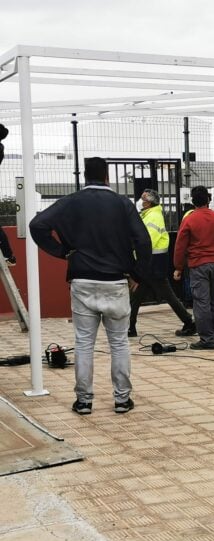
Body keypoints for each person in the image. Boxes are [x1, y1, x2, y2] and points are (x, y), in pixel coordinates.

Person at [30, 157, 151, 415]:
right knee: (118, 342)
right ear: (107, 176)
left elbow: (37, 225)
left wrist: (63, 252)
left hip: (82, 280)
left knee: (84, 343)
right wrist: (138, 274)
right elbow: (143, 240)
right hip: (116, 281)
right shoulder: (122, 203)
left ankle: (84, 401)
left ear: (85, 176)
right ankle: (121, 400)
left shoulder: (71, 202)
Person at [173, 186, 214, 350]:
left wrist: (178, 267)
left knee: (201, 302)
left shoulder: (189, 220)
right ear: (208, 200)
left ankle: (207, 339)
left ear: (193, 201)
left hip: (198, 264)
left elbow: (180, 245)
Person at [128, 189, 196, 338]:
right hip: (152, 263)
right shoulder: (149, 215)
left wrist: (137, 261)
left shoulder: (153, 216)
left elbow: (147, 241)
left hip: (151, 263)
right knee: (137, 295)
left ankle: (189, 321)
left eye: (143, 199)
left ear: (150, 202)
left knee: (159, 295)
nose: (141, 201)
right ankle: (130, 326)